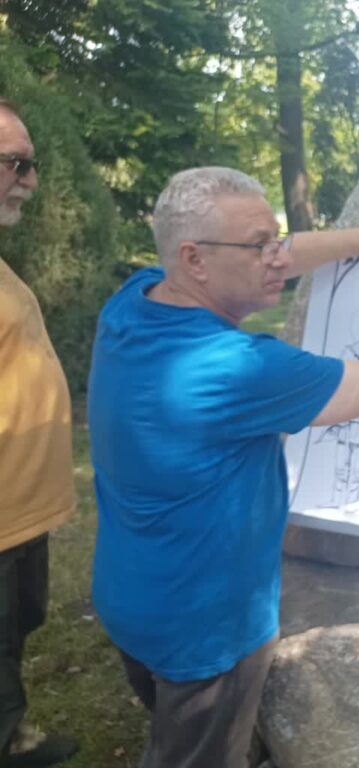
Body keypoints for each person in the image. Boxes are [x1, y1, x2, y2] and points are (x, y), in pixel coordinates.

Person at [87, 166, 359, 768]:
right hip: (207, 632)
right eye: (259, 245)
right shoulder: (237, 368)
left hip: (130, 595)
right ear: (195, 259)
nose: (278, 256)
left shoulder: (133, 302)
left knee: (173, 736)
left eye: (277, 239)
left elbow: (276, 256)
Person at [0, 98, 79, 767]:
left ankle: (13, 733)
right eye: (15, 164)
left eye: (33, 163)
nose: (30, 179)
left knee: (13, 631)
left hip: (20, 513)